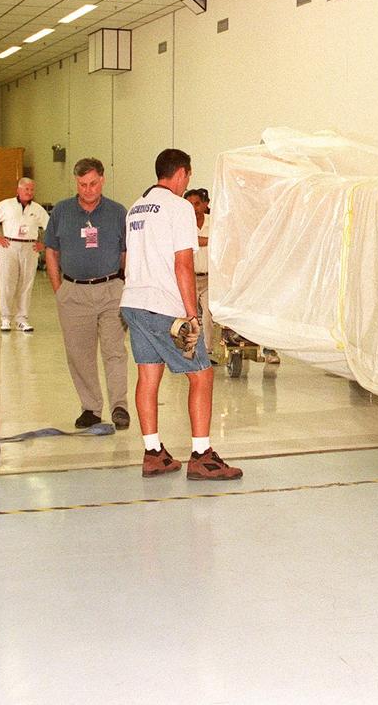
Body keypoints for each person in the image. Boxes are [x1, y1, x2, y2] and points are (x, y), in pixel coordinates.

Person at [123, 150, 241, 480]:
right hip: (164, 308)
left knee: (148, 376)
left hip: (133, 303)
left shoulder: (136, 207)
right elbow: (183, 264)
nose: (187, 181)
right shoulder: (179, 208)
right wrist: (192, 315)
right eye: (187, 176)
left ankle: (153, 453)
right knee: (201, 375)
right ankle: (202, 455)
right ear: (181, 174)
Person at [43, 158, 131, 431]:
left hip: (110, 291)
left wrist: (123, 285)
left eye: (93, 183)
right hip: (73, 291)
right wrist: (60, 289)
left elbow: (126, 253)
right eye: (82, 184)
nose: (88, 189)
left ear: (102, 180)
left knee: (114, 351)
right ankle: (91, 408)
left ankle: (119, 407)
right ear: (76, 182)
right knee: (79, 354)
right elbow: (51, 251)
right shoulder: (61, 211)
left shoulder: (117, 212)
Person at [0, 177, 49, 332]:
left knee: (26, 283)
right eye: (26, 189)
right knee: (7, 282)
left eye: (32, 189)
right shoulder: (6, 205)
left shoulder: (37, 209)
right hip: (9, 246)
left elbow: (50, 228)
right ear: (18, 190)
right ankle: (5, 318)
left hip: (29, 248)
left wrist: (43, 245)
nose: (29, 192)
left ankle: (22, 318)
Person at [184, 188, 211, 323]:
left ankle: (208, 345)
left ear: (204, 204)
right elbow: (192, 241)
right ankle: (191, 344)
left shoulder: (213, 222)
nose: (194, 208)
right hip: (190, 278)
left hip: (209, 279)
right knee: (189, 316)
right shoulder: (182, 223)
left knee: (209, 315)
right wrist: (210, 240)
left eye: (197, 203)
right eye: (190, 205)